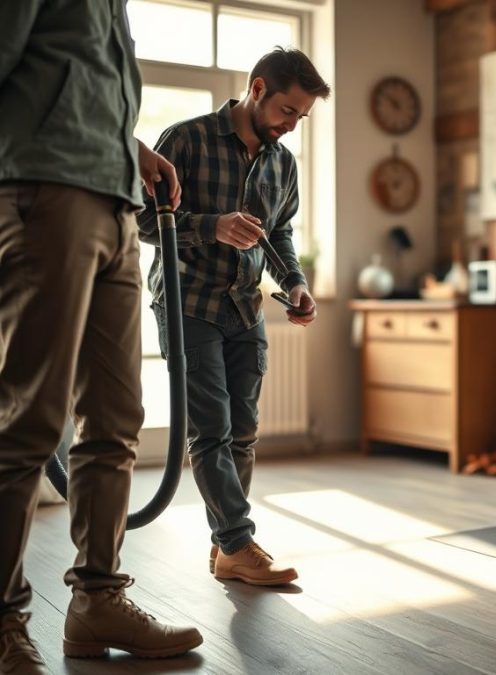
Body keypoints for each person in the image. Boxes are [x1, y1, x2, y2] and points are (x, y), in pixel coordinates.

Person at [0, 2, 204, 671]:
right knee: (30, 420)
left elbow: (77, 77)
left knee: (115, 419)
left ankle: (97, 599)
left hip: (116, 202)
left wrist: (130, 148)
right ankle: (3, 619)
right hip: (45, 191)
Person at [137, 48, 330, 586]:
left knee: (243, 434)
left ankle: (226, 549)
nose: (292, 126)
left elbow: (280, 233)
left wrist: (295, 284)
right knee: (212, 431)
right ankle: (240, 542)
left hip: (245, 306)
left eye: (301, 118)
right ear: (259, 89)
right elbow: (141, 221)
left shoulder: (282, 163)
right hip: (187, 301)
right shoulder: (186, 139)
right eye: (288, 111)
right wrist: (211, 227)